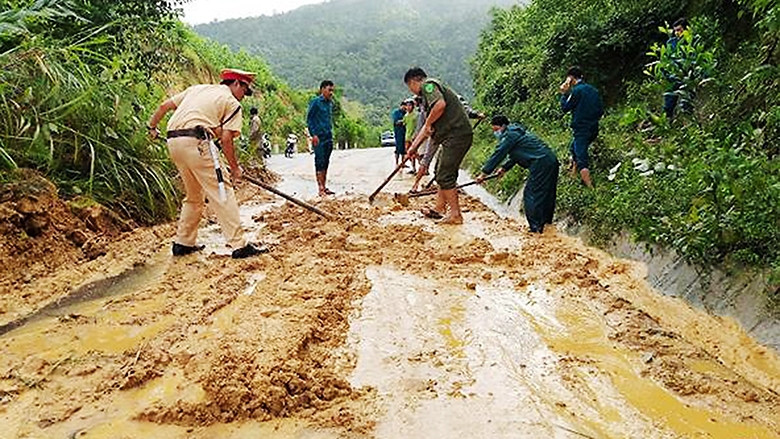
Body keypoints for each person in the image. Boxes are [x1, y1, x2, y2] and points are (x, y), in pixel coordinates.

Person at [147, 68, 267, 259]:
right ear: (236, 83)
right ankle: (239, 245)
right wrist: (235, 168)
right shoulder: (231, 102)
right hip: (197, 143)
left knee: (194, 195)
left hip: (174, 142)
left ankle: (183, 242)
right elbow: (227, 140)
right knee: (222, 191)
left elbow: (164, 106)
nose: (244, 96)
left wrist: (152, 127)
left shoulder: (198, 89)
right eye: (244, 90)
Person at [404, 67, 473, 225]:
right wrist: (413, 148)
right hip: (451, 137)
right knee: (439, 171)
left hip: (456, 136)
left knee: (445, 175)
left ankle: (455, 215)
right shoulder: (428, 100)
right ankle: (439, 208)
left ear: (414, 81)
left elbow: (440, 105)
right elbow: (427, 129)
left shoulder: (428, 86)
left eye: (410, 87)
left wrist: (428, 123)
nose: (413, 92)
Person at [476, 115, 559, 234]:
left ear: (503, 126)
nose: (495, 133)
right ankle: (546, 224)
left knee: (532, 194)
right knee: (547, 193)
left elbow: (499, 153)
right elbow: (517, 154)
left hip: (540, 163)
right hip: (550, 160)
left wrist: (483, 174)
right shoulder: (517, 132)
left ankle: (535, 228)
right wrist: (504, 168)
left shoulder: (509, 135)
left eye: (495, 130)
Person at [560, 66, 603, 189]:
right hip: (594, 127)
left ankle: (589, 186)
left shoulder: (576, 91)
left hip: (581, 129)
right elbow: (600, 110)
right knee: (573, 148)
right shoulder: (593, 90)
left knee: (581, 154)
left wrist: (564, 93)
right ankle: (573, 176)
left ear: (570, 78)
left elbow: (565, 108)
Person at [307, 80, 335, 197]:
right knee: (319, 161)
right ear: (322, 89)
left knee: (326, 162)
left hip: (328, 136)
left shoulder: (329, 103)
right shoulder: (315, 102)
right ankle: (320, 188)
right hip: (318, 137)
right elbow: (309, 119)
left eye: (332, 90)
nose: (331, 93)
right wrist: (314, 134)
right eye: (329, 90)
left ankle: (324, 185)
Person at [663, 18, 689, 121]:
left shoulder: (691, 41)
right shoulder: (671, 43)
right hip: (674, 76)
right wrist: (667, 74)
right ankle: (667, 122)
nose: (677, 33)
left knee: (686, 102)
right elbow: (665, 60)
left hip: (687, 75)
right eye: (675, 31)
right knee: (669, 102)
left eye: (679, 30)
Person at [391, 100, 412, 167]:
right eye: (404, 106)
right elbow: (396, 121)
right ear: (401, 106)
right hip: (398, 132)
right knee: (398, 148)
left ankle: (402, 163)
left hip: (405, 132)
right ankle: (397, 163)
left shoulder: (406, 113)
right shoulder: (396, 112)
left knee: (404, 148)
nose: (405, 107)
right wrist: (403, 121)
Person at [403, 98, 417, 173]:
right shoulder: (406, 116)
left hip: (414, 137)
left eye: (410, 106)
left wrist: (415, 136)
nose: (408, 107)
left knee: (415, 153)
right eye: (407, 106)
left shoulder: (415, 115)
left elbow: (417, 127)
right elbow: (404, 123)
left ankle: (422, 168)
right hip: (407, 136)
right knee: (409, 153)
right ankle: (413, 168)